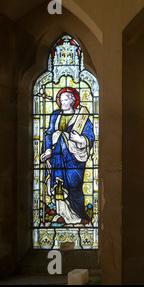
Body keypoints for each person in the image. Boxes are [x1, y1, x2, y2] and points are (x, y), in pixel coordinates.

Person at [40, 87, 94, 225]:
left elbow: (90, 137)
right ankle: (61, 215)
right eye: (60, 99)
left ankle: (78, 215)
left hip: (75, 158)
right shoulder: (55, 115)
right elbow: (49, 133)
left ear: (73, 100)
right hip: (56, 157)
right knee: (58, 185)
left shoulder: (82, 117)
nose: (61, 102)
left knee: (74, 185)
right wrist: (48, 150)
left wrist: (80, 140)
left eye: (65, 99)